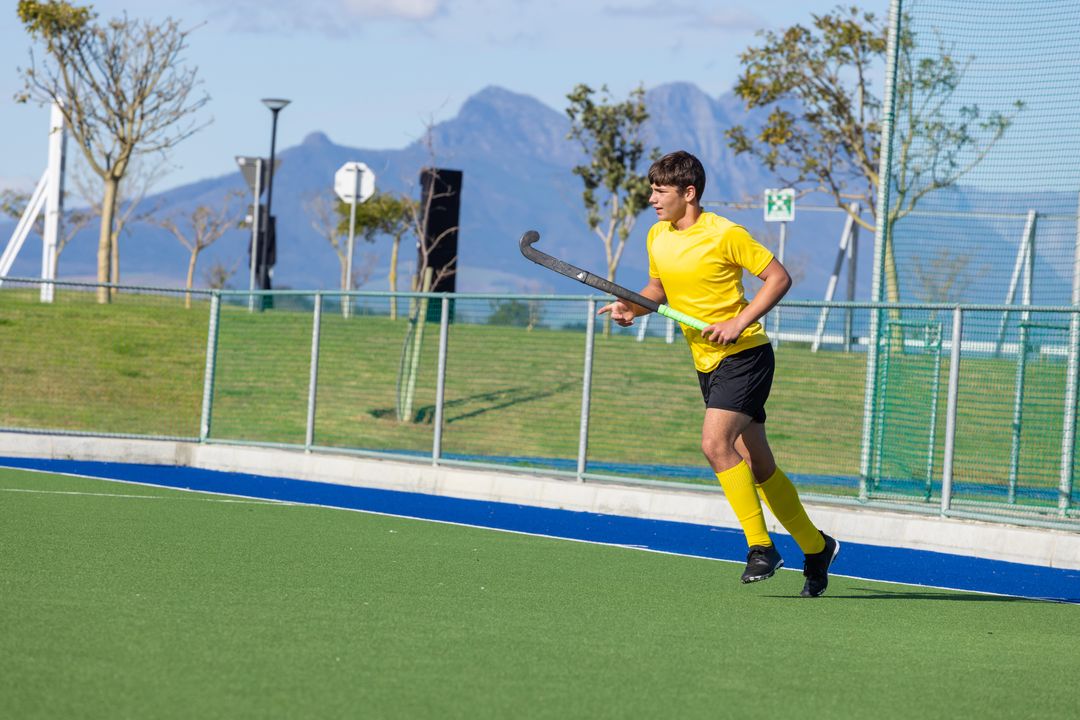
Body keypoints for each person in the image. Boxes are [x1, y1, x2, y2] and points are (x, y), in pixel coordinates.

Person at [598, 150, 839, 597]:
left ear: (688, 193)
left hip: (745, 355)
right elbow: (658, 289)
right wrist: (630, 307)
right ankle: (816, 546)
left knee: (714, 445)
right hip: (706, 362)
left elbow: (778, 278)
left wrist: (738, 321)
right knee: (759, 465)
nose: (651, 198)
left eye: (660, 190)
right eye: (651, 189)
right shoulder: (657, 235)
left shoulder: (725, 233)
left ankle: (760, 547)